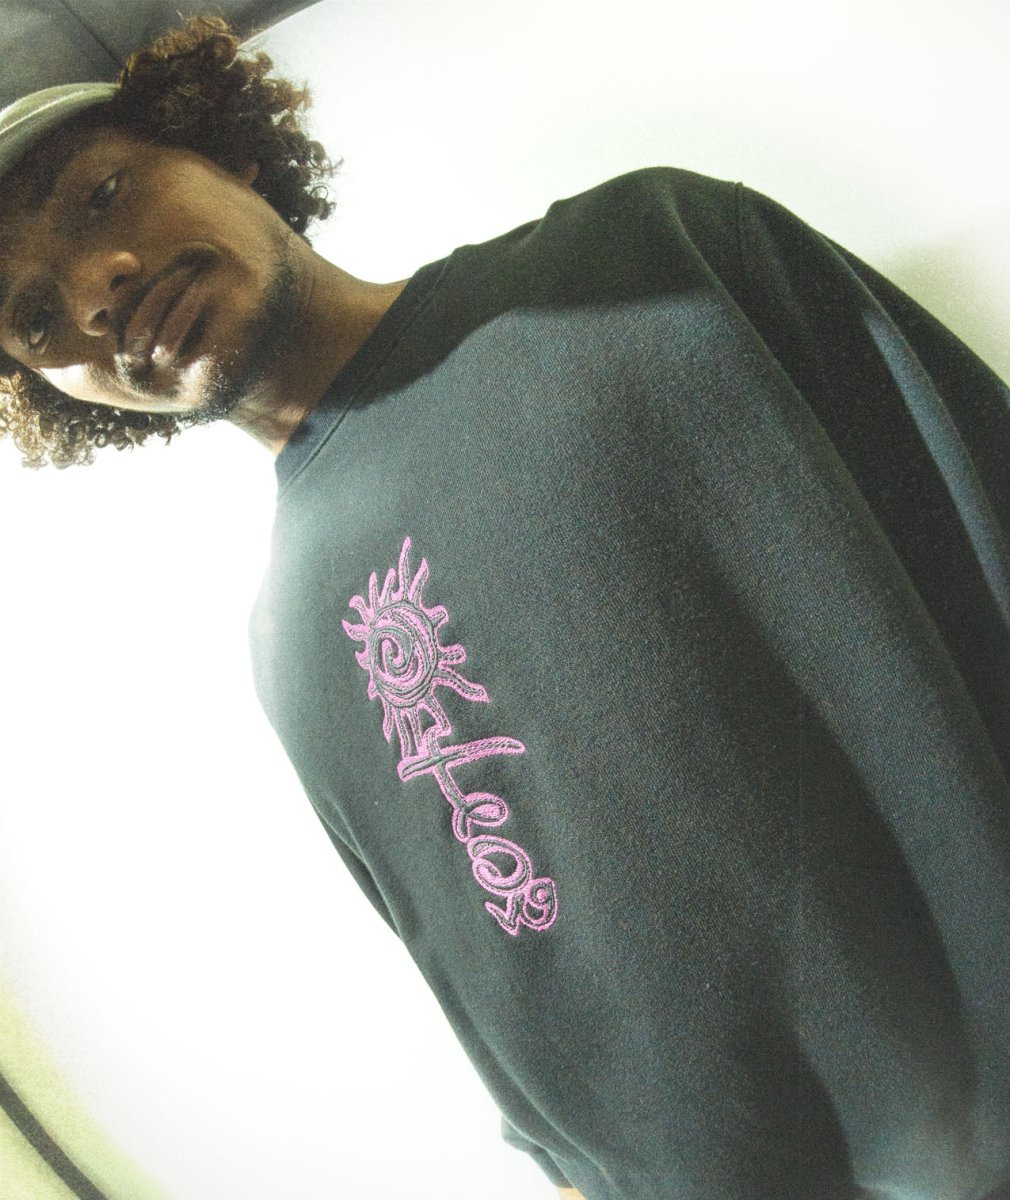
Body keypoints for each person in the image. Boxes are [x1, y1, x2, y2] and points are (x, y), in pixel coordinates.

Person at [1, 15, 1008, 1200]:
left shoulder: (651, 253)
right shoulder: (286, 648)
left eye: (101, 195)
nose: (96, 289)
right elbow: (516, 1011)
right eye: (33, 318)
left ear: (221, 150)